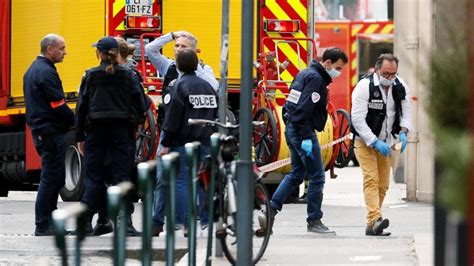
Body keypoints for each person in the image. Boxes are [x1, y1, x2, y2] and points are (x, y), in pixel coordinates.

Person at [145, 31, 218, 236]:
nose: (177, 50)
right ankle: (159, 221)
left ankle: (184, 221)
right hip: (179, 135)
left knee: (187, 180)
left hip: (179, 137)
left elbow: (176, 115)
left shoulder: (201, 75)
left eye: (183, 47)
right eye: (176, 46)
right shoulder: (168, 68)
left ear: (195, 52)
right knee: (163, 179)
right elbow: (149, 49)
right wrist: (171, 35)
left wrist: (195, 67)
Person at [269, 47, 348, 235]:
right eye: (338, 68)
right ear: (327, 63)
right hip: (303, 131)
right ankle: (314, 220)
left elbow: (291, 104)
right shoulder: (316, 80)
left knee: (297, 173)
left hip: (293, 128)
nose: (339, 72)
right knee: (317, 176)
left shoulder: (304, 74)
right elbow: (304, 109)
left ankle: (271, 209)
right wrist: (305, 137)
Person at [75, 36, 147, 235]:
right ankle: (125, 224)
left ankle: (85, 222)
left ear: (99, 53)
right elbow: (141, 105)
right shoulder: (129, 75)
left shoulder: (89, 75)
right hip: (122, 133)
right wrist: (135, 122)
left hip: (95, 133)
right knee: (121, 177)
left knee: (93, 177)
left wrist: (80, 135)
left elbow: (81, 108)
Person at [351, 53, 413, 236]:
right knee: (371, 179)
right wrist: (373, 141)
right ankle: (375, 219)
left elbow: (407, 112)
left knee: (383, 184)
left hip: (387, 142)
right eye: (386, 74)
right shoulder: (364, 87)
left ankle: (372, 225)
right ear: (377, 69)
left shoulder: (400, 86)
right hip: (364, 141)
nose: (389, 78)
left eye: (393, 74)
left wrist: (403, 131)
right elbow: (357, 119)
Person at [23, 34, 75, 236]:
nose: (65, 52)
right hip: (50, 131)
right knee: (51, 178)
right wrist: (75, 121)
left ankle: (50, 223)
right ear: (50, 49)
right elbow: (57, 104)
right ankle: (43, 224)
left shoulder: (34, 70)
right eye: (62, 48)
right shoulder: (45, 72)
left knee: (56, 178)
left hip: (45, 130)